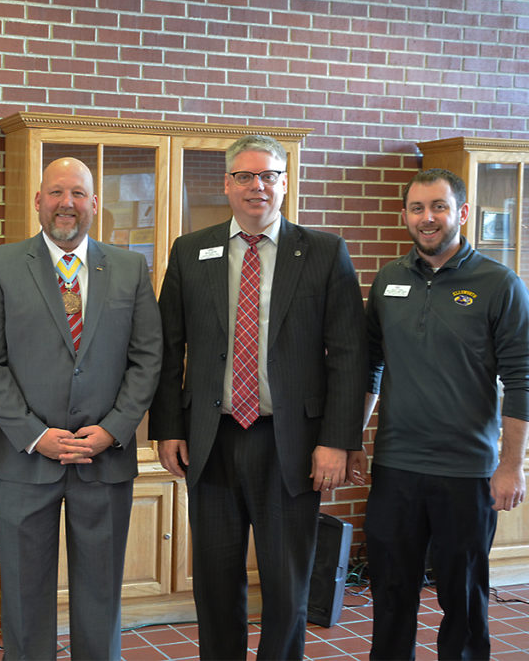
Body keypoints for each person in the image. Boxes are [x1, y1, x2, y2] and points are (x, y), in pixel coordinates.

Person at [149, 135, 367, 660]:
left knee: (288, 584)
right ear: (227, 184)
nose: (257, 186)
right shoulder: (189, 250)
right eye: (245, 176)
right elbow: (166, 345)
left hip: (291, 442)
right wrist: (168, 427)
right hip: (211, 439)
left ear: (285, 183)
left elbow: (349, 354)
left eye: (269, 175)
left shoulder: (323, 252)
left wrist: (337, 441)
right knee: (217, 584)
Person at [0, 157, 162, 660]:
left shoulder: (129, 267)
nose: (67, 204)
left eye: (78, 193)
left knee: (101, 594)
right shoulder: (1, 265)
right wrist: (35, 434)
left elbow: (147, 358)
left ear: (95, 203)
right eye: (56, 192)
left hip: (104, 457)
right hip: (24, 457)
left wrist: (113, 429)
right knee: (25, 595)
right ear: (38, 201)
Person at [346, 168, 529, 660]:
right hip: (396, 468)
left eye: (438, 207)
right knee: (390, 594)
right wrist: (354, 440)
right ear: (405, 214)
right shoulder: (389, 279)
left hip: (467, 472)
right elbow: (370, 367)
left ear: (462, 213)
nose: (427, 218)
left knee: (464, 597)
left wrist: (511, 465)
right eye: (417, 208)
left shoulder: (500, 284)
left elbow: (520, 382)